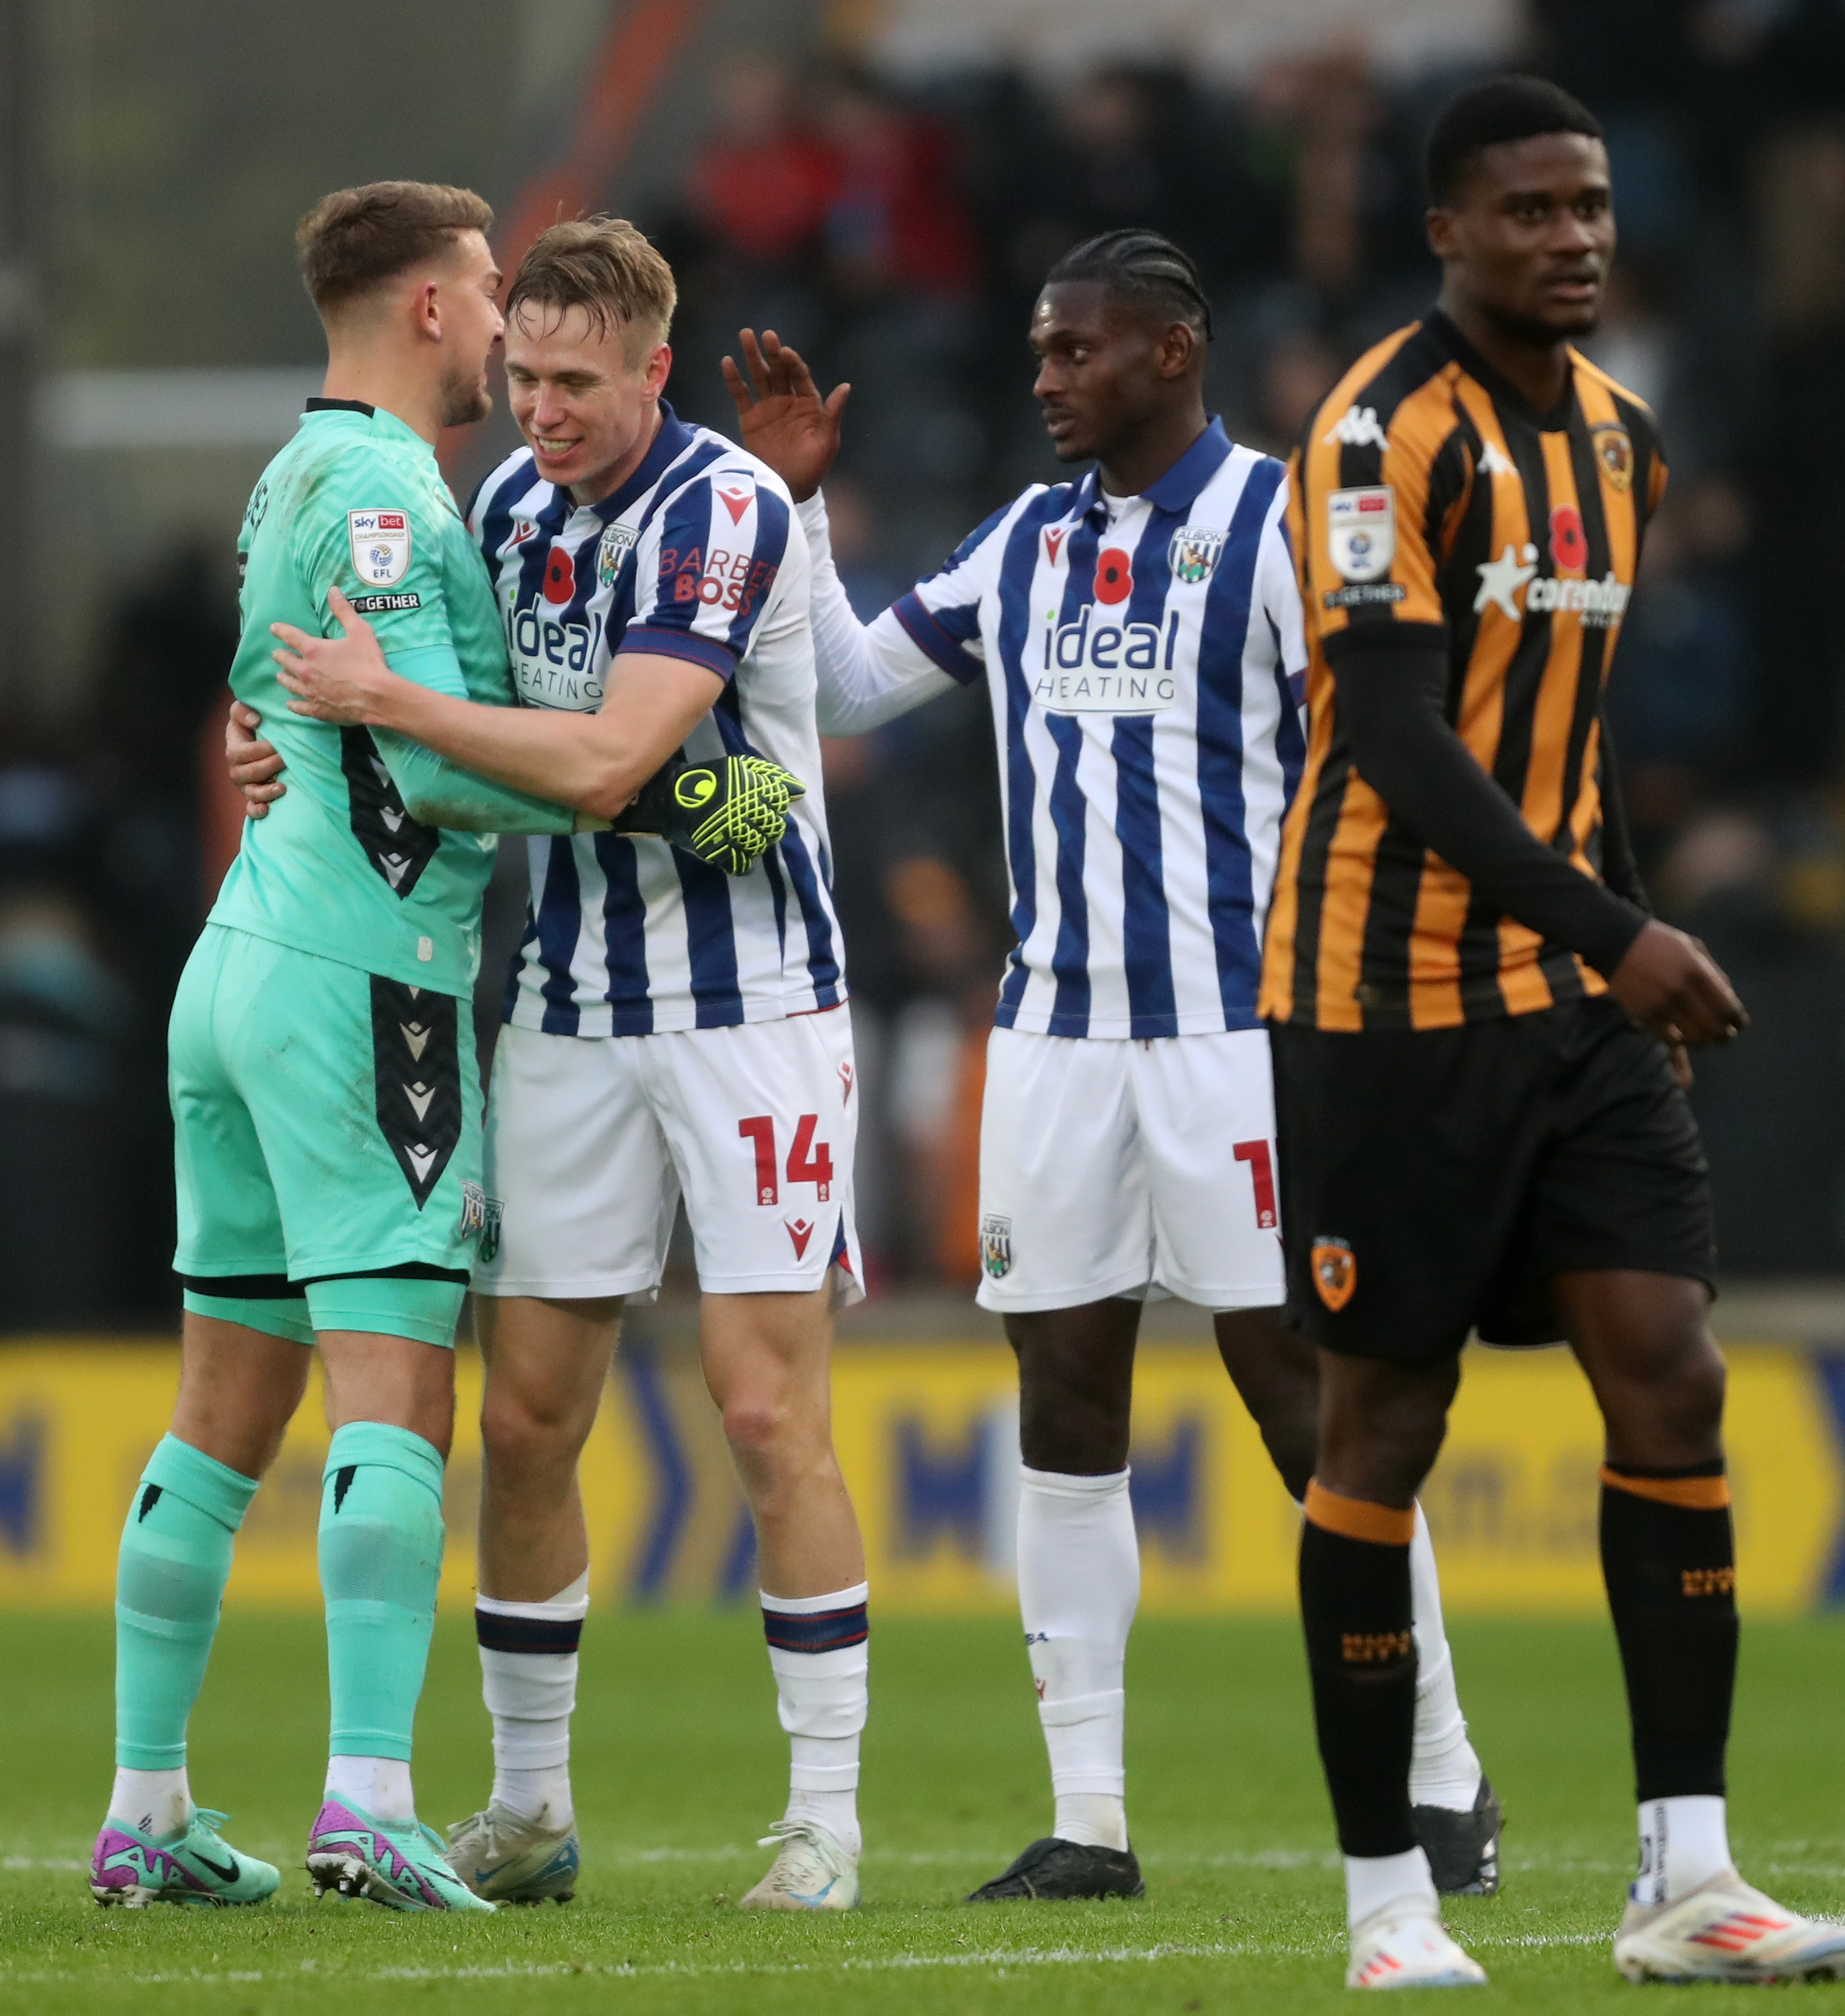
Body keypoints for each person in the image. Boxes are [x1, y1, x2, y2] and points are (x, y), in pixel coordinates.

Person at [715, 229, 1500, 1904]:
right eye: (1038, 349)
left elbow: (1391, 746)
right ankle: (1090, 1822)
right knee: (1064, 1404)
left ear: (1174, 349)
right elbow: (849, 689)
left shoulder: (1281, 524)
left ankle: (1443, 1777)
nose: (1045, 377)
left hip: (1239, 1038)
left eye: (1077, 350)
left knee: (1303, 1403)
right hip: (1056, 1046)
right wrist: (790, 510)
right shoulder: (1023, 540)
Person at [90, 181, 793, 1919]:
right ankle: (368, 1797)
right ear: (422, 307)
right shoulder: (396, 496)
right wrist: (668, 782)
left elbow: (282, 718)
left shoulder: (290, 473)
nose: (502, 326)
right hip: (361, 976)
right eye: (485, 293)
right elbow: (423, 761)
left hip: (242, 957)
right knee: (399, 1391)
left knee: (215, 1413)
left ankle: (146, 1803)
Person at [1269, 77, 1844, 1991]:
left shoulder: (1623, 443)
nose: (1568, 236)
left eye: (1585, 204)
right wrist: (1623, 932)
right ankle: (1381, 1906)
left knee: (1667, 1378)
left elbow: (1563, 742)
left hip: (1559, 992)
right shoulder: (1373, 438)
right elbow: (1395, 740)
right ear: (1444, 233)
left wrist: (1598, 960)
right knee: (1384, 1424)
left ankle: (1683, 1879)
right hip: (1377, 1000)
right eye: (1523, 210)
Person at [259, 214, 882, 1915]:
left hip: (753, 1016)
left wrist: (393, 706)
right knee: (527, 1423)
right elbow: (506, 761)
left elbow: (604, 758)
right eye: (522, 374)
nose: (539, 410)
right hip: (566, 1016)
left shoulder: (725, 507)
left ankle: (820, 1817)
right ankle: (528, 1807)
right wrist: (299, 742)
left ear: (653, 370)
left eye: (577, 384)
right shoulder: (504, 511)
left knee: (764, 1412)